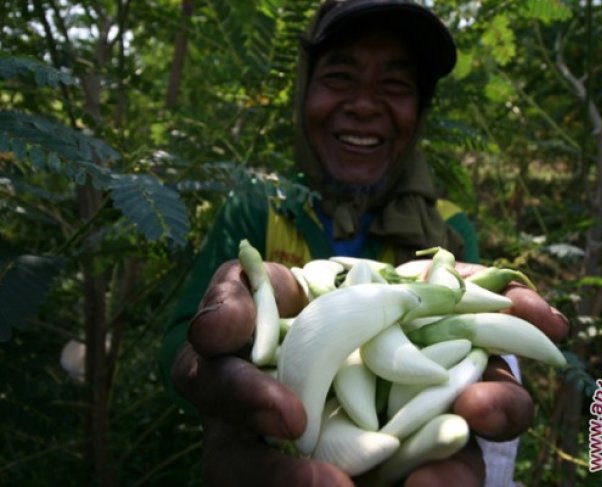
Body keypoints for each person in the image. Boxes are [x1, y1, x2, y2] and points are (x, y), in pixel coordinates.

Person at [159, 0, 569, 485]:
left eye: (394, 85)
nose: (364, 104)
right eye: (339, 77)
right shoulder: (258, 206)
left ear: (420, 110)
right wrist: (209, 370)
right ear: (304, 91)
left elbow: (465, 345)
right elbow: (180, 342)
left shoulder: (451, 231)